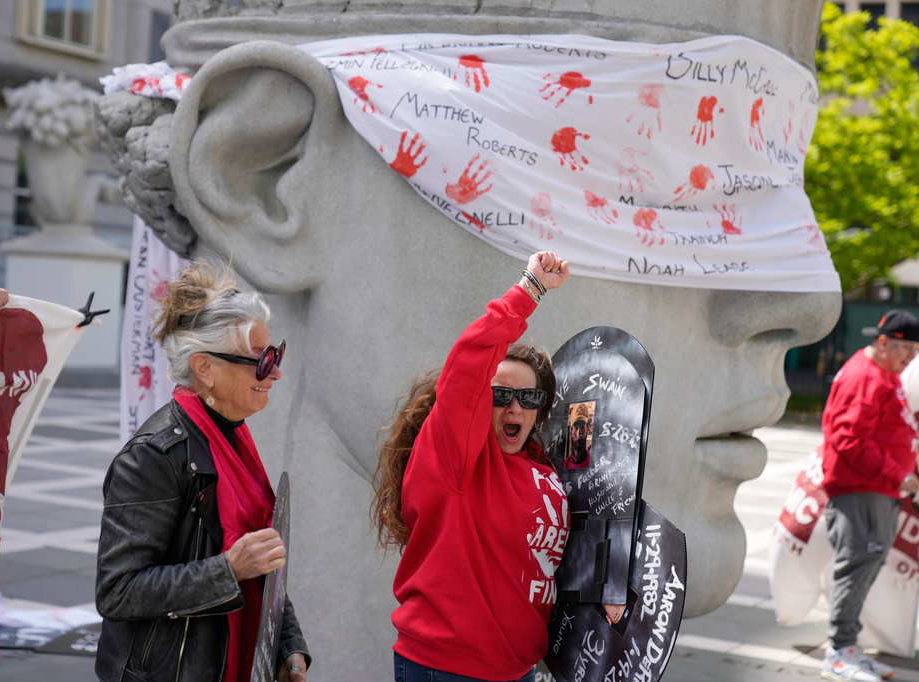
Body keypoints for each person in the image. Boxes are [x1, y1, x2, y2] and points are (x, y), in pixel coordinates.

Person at [92, 1, 844, 674]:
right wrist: (529, 293)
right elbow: (463, 376)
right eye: (674, 170)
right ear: (266, 171)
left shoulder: (532, 473)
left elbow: (548, 555)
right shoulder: (451, 463)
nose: (812, 302)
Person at [95, 261, 310, 682]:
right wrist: (227, 570)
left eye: (275, 354)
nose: (276, 372)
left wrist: (289, 647)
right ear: (205, 368)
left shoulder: (229, 436)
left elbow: (262, 562)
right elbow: (117, 590)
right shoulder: (156, 455)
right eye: (261, 360)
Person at [371, 251, 570, 681]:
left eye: (529, 398)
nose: (515, 407)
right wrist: (529, 289)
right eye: (501, 395)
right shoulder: (456, 456)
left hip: (518, 669)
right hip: (449, 669)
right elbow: (468, 363)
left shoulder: (542, 467)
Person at [819, 310, 919, 682]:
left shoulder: (881, 373)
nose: (911, 357)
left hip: (876, 489)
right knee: (857, 565)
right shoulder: (866, 376)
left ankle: (846, 647)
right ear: (883, 341)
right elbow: (848, 439)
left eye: (915, 350)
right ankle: (838, 652)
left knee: (864, 565)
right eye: (906, 348)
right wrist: (899, 475)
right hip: (863, 490)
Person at [565, 402, 593, 469]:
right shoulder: (565, 464)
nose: (578, 434)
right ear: (570, 431)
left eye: (582, 427)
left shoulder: (593, 463)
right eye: (575, 427)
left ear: (588, 429)